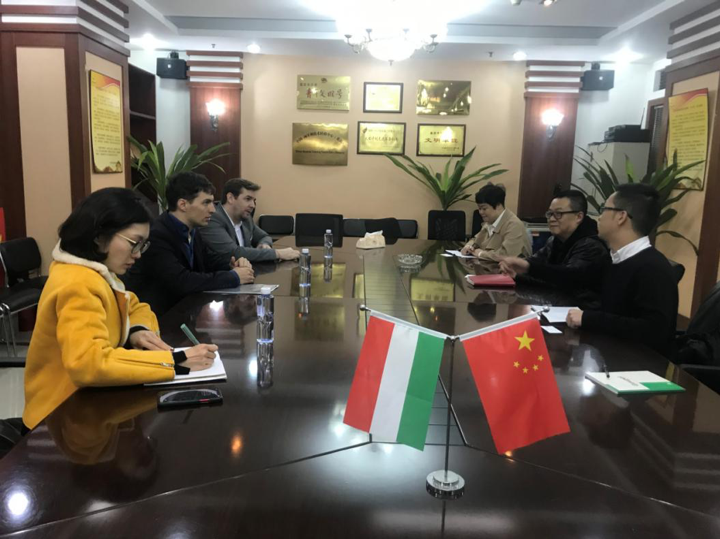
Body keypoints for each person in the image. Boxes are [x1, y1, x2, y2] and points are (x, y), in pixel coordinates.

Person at [23, 188, 218, 430]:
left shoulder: (98, 272)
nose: (137, 255)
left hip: (87, 405)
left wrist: (137, 329)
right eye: (134, 243)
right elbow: (88, 364)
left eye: (143, 246)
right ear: (99, 236)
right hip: (60, 418)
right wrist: (175, 360)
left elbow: (135, 304)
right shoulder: (78, 283)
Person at [565, 184, 679, 356]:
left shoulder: (653, 268)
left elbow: (653, 331)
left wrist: (589, 318)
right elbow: (580, 279)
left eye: (604, 209)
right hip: (611, 353)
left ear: (621, 217)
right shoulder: (616, 259)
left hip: (641, 364)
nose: (599, 218)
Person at [122, 172, 254, 316]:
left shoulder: (193, 230)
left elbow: (208, 261)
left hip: (184, 313)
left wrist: (233, 264)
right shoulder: (157, 235)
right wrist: (233, 277)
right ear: (183, 204)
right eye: (206, 203)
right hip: (159, 318)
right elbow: (182, 281)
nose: (213, 209)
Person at [500, 190, 609, 307]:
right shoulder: (554, 241)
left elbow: (567, 278)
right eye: (550, 214)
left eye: (558, 214)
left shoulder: (591, 245)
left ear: (579, 216)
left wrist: (528, 267)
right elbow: (537, 266)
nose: (551, 219)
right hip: (557, 306)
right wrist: (516, 272)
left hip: (582, 311)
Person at [199, 178, 299, 266]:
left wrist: (264, 244)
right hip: (220, 277)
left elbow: (264, 236)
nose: (253, 205)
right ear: (230, 198)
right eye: (248, 199)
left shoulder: (245, 218)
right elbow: (234, 253)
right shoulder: (212, 219)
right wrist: (278, 253)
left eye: (254, 200)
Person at [460, 183, 531, 269]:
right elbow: (476, 239)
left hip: (511, 274)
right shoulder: (489, 222)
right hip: (490, 270)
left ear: (498, 206)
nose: (480, 212)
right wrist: (469, 246)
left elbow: (506, 255)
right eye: (479, 208)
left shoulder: (514, 225)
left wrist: (480, 253)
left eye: (484, 208)